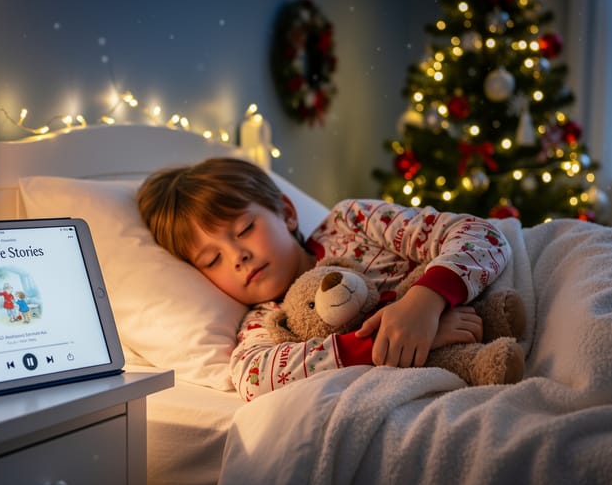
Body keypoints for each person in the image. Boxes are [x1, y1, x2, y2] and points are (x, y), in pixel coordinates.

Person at [137, 157, 512, 401]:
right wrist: (391, 343)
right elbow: (254, 376)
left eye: (246, 228)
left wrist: (424, 303)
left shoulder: (352, 223)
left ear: (286, 213)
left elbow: (482, 236)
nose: (238, 257)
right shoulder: (268, 320)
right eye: (212, 259)